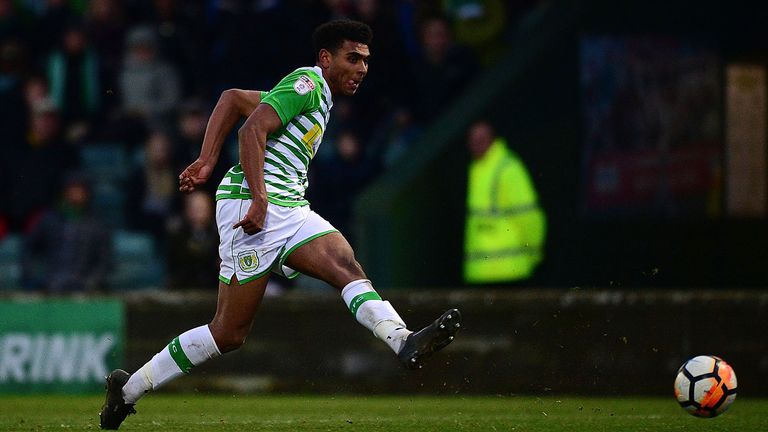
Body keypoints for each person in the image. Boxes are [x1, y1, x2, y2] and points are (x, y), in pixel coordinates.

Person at [99, 19, 462, 430]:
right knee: (228, 334)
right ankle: (128, 390)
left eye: (366, 60)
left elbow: (233, 99)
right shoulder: (306, 83)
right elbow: (252, 129)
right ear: (326, 58)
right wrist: (258, 197)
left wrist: (205, 159)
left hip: (288, 206)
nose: (362, 68)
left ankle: (402, 340)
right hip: (250, 207)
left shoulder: (316, 94)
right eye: (353, 58)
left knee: (346, 265)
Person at [463, 120, 546, 283]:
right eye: (473, 140)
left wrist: (534, 254)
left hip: (511, 272)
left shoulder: (508, 168)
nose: (476, 144)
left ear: (492, 139)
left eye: (482, 139)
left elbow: (528, 217)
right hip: (480, 273)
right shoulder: (477, 169)